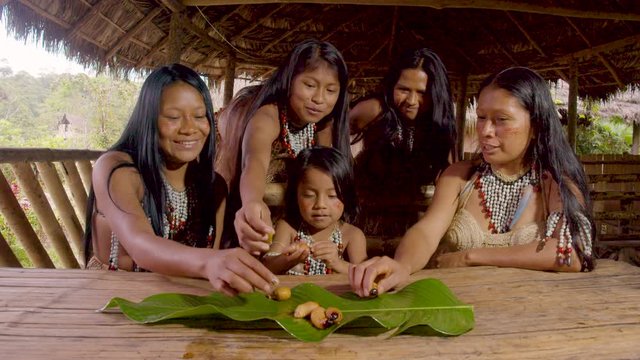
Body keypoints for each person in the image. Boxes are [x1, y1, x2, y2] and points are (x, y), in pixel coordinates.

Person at [349, 67, 596, 297]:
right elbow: (425, 232)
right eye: (480, 117)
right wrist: (402, 265)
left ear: (536, 125)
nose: (485, 130)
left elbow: (571, 254)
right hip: (454, 303)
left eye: (501, 119)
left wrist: (472, 256)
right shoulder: (459, 177)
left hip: (526, 312)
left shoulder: (555, 183)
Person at [83, 64, 278, 296]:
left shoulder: (214, 186)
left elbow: (211, 264)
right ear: (149, 119)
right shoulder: (117, 169)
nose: (189, 128)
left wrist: (256, 250)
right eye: (174, 117)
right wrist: (209, 262)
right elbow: (139, 243)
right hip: (113, 298)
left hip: (179, 296)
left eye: (199, 116)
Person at [216, 39, 351, 254]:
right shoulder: (267, 117)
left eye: (331, 90)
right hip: (264, 227)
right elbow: (254, 162)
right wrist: (252, 202)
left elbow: (328, 175)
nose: (319, 98)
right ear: (289, 80)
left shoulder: (326, 124)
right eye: (309, 85)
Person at [348, 48, 457, 253]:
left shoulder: (438, 126)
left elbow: (448, 173)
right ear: (391, 86)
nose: (412, 101)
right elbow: (331, 139)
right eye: (404, 89)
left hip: (411, 227)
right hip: (365, 225)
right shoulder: (374, 111)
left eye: (422, 92)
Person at [262, 146, 367, 275]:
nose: (320, 205)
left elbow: (365, 275)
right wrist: (287, 259)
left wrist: (336, 263)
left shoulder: (352, 235)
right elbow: (267, 267)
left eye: (332, 196)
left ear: (346, 195)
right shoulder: (288, 228)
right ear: (295, 195)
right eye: (309, 195)